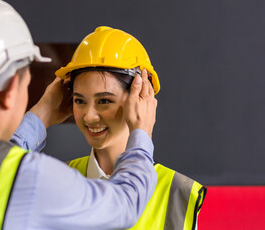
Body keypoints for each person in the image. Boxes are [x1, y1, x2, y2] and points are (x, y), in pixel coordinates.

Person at [0, 0, 159, 230]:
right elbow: (123, 205)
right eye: (27, 83)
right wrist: (142, 133)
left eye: (103, 101)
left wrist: (41, 115)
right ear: (9, 90)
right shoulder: (29, 177)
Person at [56, 26, 207, 230]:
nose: (89, 116)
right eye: (79, 101)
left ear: (140, 99)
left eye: (104, 101)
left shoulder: (177, 193)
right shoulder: (55, 180)